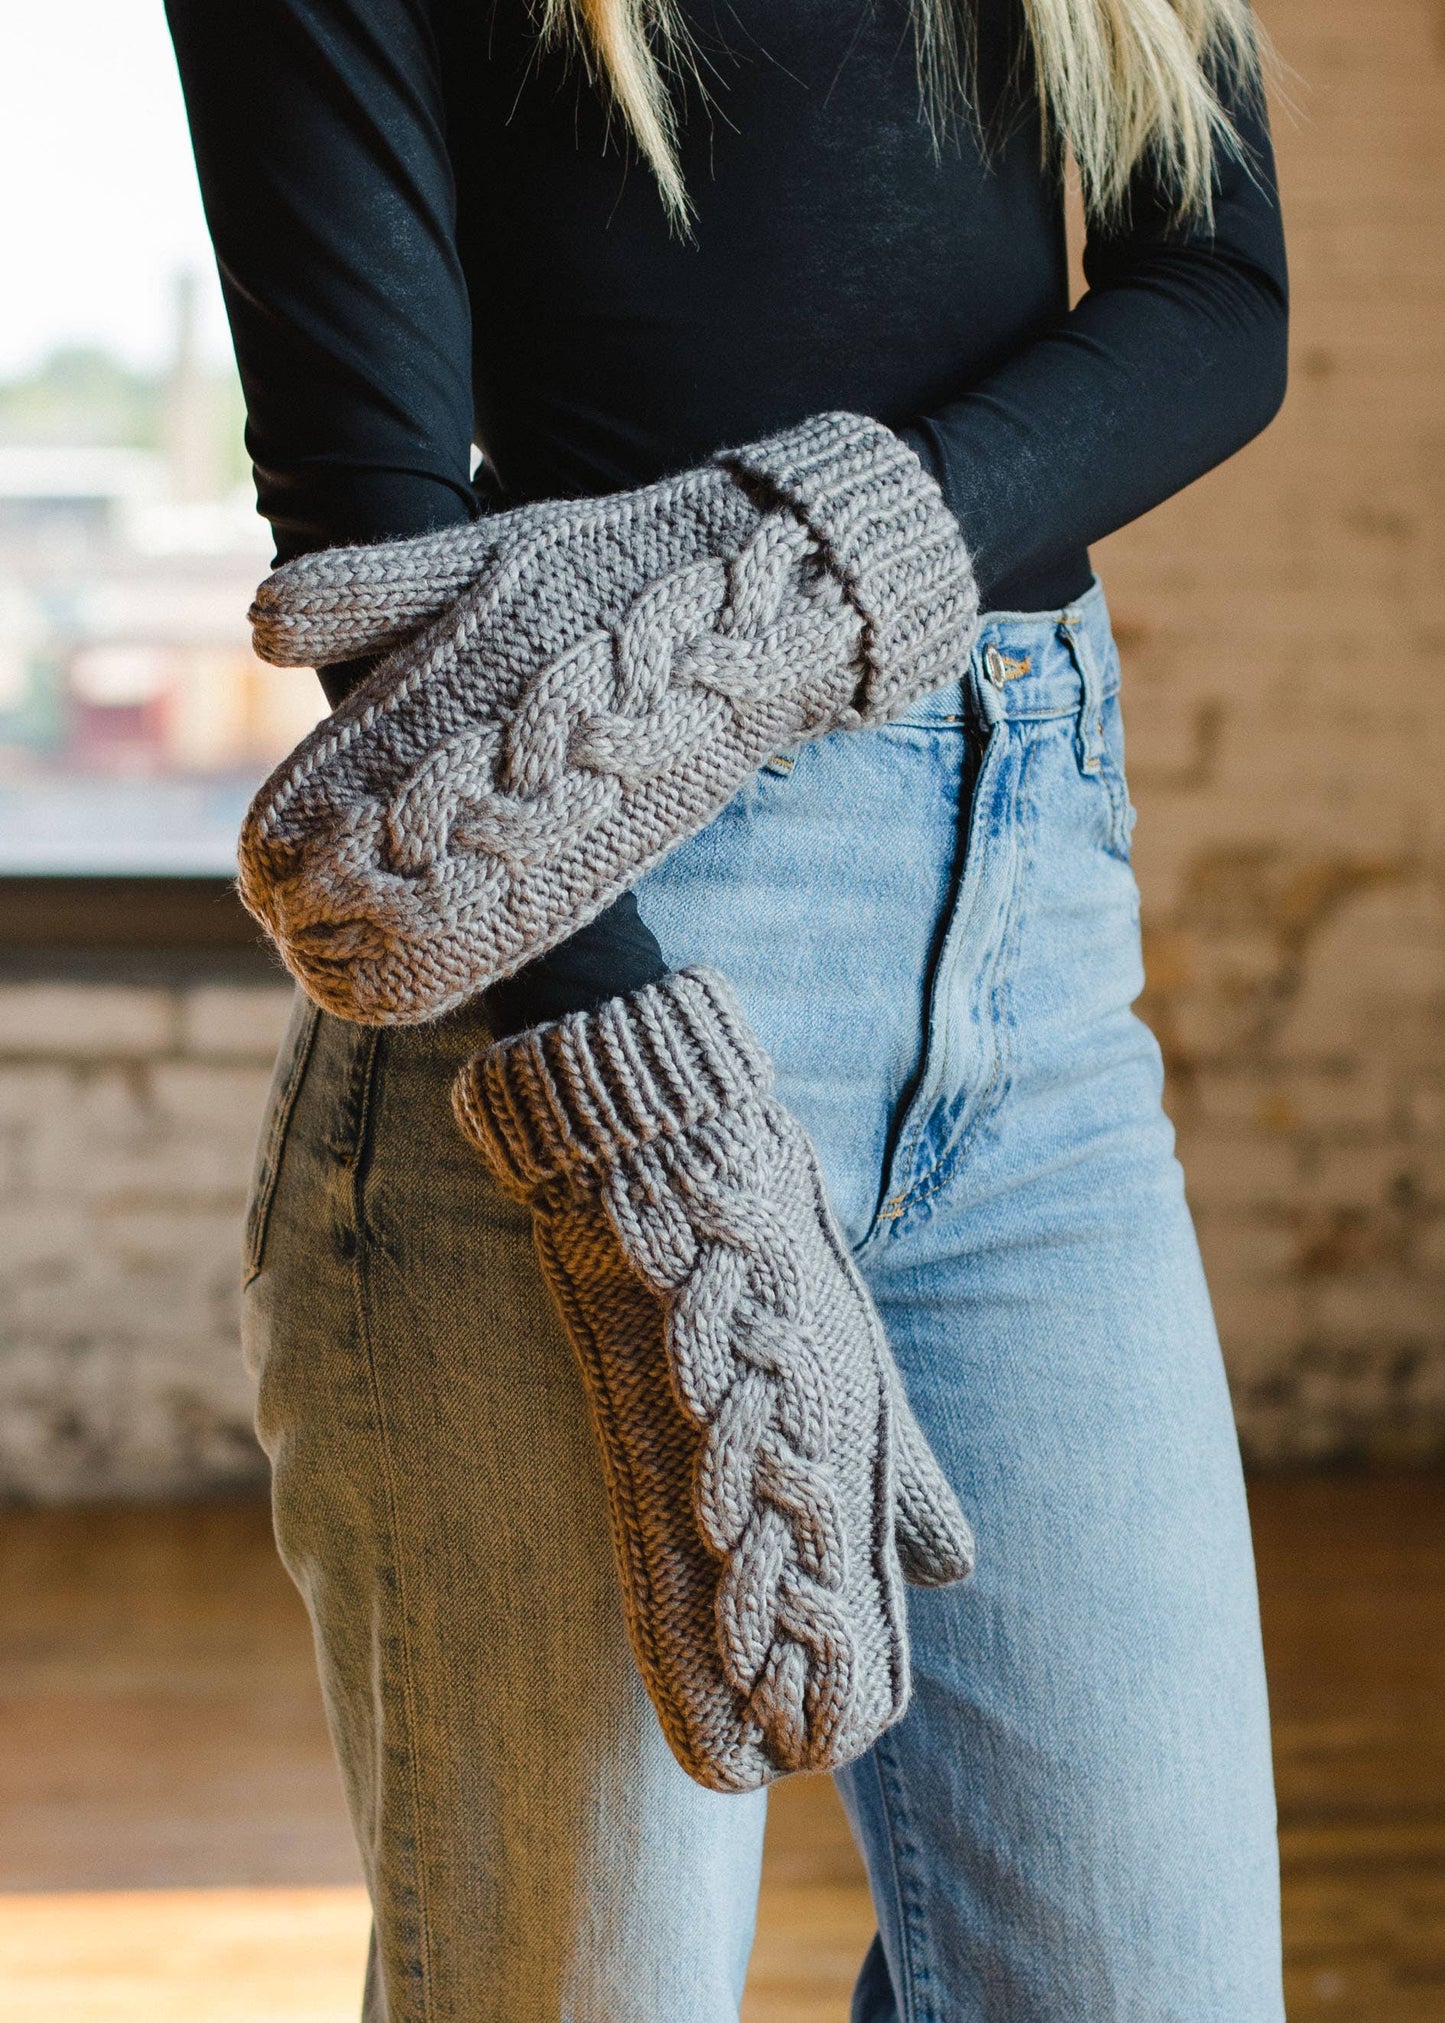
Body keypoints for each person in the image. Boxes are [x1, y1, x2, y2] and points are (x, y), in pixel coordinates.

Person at [166, 0, 1290, 2013]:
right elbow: (373, 525)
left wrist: (790, 590)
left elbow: (1218, 296)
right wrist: (648, 1132)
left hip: (1036, 945)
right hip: (571, 968)